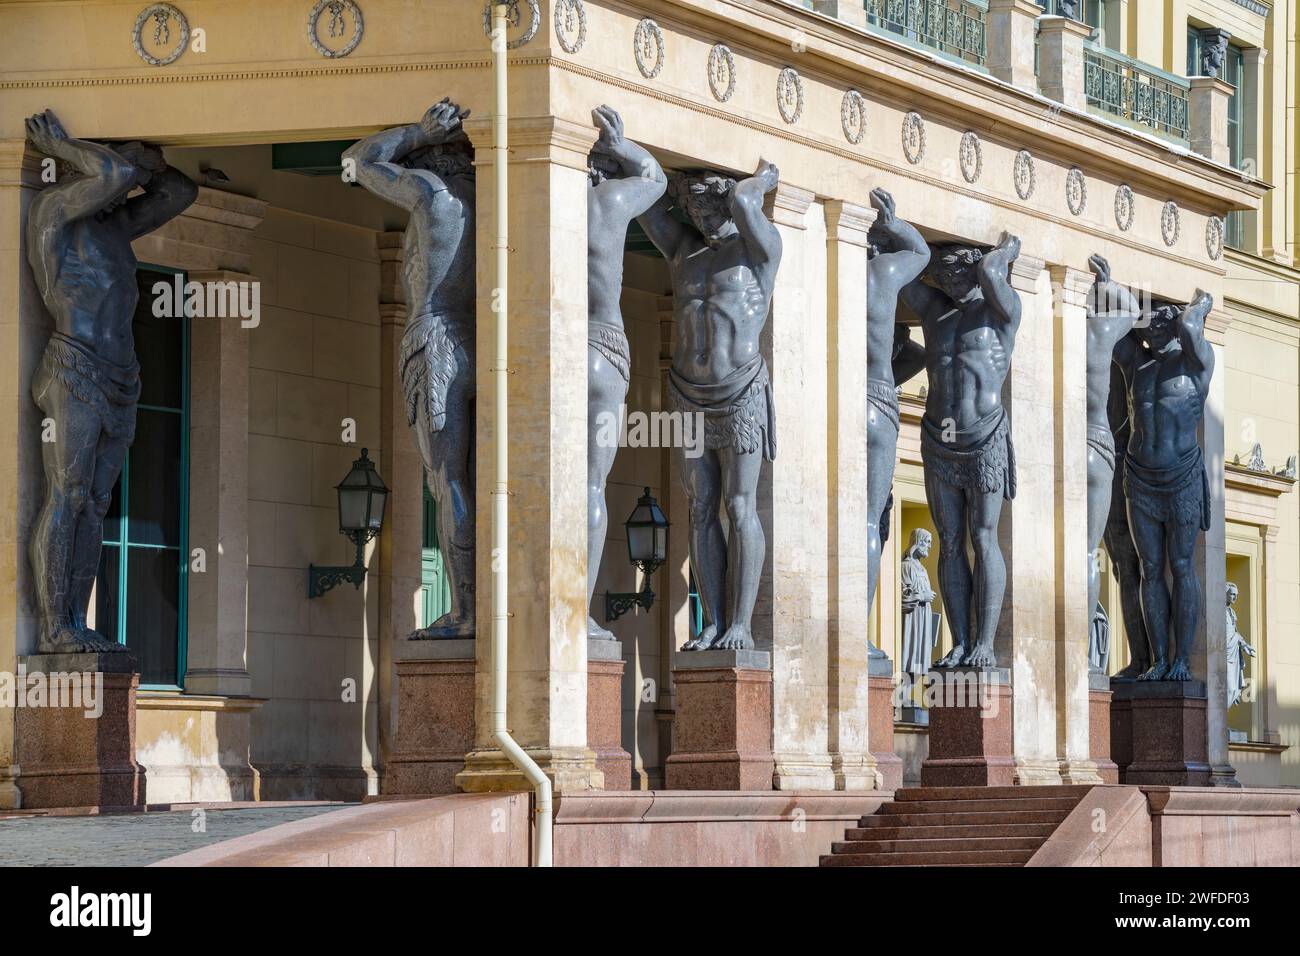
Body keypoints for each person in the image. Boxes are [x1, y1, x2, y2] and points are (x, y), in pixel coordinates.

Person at [25, 109, 196, 653]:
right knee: (68, 494)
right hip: (73, 365)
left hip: (121, 376)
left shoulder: (117, 226)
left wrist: (149, 163)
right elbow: (113, 178)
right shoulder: (55, 213)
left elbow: (180, 192)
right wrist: (68, 146)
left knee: (96, 501)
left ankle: (77, 619)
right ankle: (57, 627)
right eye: (119, 160)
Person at [637, 159, 781, 651]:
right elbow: (647, 192)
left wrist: (759, 184)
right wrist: (618, 149)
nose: (699, 212)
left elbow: (745, 201)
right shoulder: (683, 252)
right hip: (687, 393)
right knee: (700, 507)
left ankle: (741, 623)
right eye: (691, 204)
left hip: (739, 392)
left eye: (707, 202)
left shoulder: (759, 252)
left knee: (739, 505)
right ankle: (714, 621)